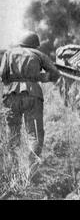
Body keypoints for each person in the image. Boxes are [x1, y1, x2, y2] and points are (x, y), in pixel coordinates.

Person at [0, 31, 60, 165]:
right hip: (33, 94)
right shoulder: (39, 54)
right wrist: (39, 77)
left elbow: (2, 75)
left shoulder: (9, 53)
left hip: (11, 95)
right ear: (35, 44)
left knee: (13, 131)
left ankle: (13, 165)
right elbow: (55, 74)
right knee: (34, 133)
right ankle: (32, 166)